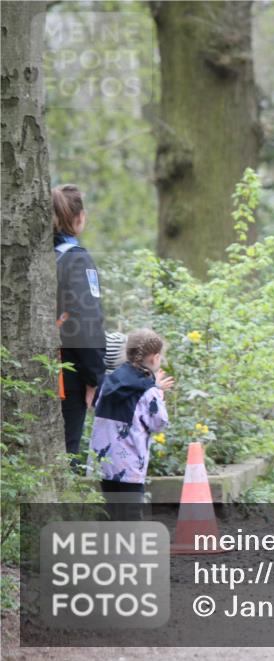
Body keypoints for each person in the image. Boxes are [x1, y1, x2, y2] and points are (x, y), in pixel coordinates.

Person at [89, 328, 174, 520]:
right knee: (131, 514)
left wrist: (154, 387)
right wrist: (159, 394)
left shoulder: (108, 381)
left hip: (104, 461)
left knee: (111, 511)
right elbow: (159, 423)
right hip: (130, 462)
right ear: (155, 358)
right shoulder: (149, 390)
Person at [53, 184, 106, 467]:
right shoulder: (76, 260)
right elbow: (86, 322)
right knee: (65, 456)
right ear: (78, 218)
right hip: (67, 376)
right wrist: (94, 377)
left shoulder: (30, 258)